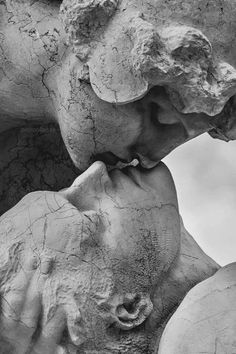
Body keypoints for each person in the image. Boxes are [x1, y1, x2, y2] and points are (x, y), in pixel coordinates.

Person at [0, 161, 218, 353]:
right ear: (130, 307)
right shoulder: (214, 325)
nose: (96, 170)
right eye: (91, 218)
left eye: (64, 189)